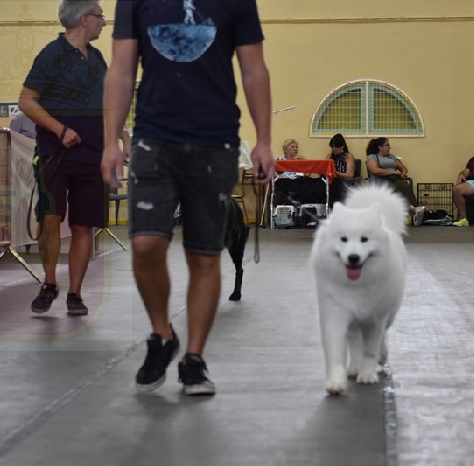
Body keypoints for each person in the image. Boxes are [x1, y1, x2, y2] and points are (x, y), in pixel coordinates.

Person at [102, 0, 274, 396]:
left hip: (215, 141)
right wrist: (111, 140)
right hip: (153, 138)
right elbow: (122, 70)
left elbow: (253, 69)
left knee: (203, 254)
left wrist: (264, 140)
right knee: (145, 245)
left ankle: (193, 359)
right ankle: (162, 334)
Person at [18, 0, 108, 316]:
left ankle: (75, 293)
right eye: (100, 17)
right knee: (50, 219)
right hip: (55, 154)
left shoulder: (97, 59)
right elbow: (26, 100)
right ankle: (50, 283)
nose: (103, 22)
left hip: (92, 156)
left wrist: (119, 140)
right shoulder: (52, 55)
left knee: (84, 226)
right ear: (84, 19)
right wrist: (60, 129)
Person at [366, 137, 425, 226]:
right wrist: (394, 172)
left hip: (394, 178)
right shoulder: (372, 157)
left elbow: (403, 167)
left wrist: (403, 173)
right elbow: (374, 170)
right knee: (392, 189)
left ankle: (415, 214)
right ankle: (413, 209)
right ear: (380, 147)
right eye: (387, 145)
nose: (390, 147)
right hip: (379, 180)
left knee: (405, 188)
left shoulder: (391, 156)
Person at [274, 138, 325, 207]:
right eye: (292, 147)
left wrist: (305, 161)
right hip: (286, 181)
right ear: (285, 149)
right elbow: (273, 175)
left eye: (296, 147)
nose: (295, 149)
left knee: (319, 183)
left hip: (299, 181)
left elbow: (307, 174)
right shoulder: (279, 160)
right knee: (281, 183)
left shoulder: (300, 159)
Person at [325, 133, 356, 206]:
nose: (333, 149)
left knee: (336, 185)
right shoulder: (329, 156)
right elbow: (326, 170)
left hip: (343, 182)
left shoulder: (348, 156)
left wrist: (336, 173)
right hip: (331, 181)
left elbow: (350, 175)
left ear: (342, 146)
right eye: (332, 147)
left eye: (336, 147)